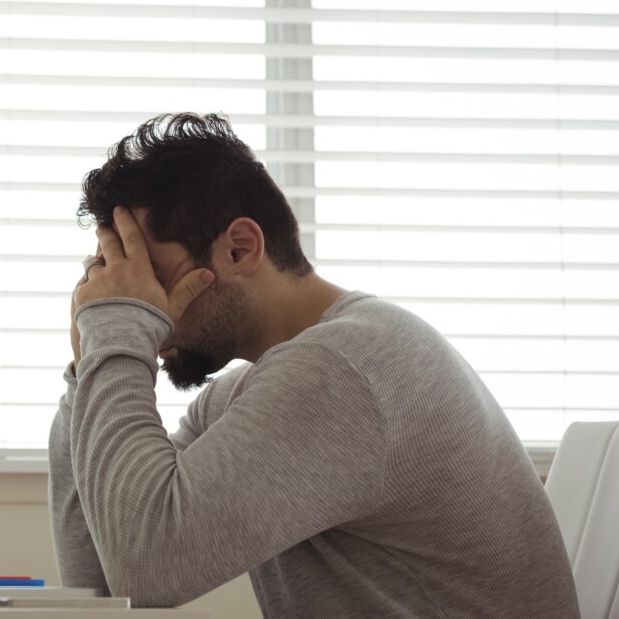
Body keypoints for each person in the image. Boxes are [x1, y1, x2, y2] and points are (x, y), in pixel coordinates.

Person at [48, 112, 579, 617]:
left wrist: (119, 330)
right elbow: (105, 578)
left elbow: (148, 569)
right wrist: (88, 367)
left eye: (149, 276)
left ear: (239, 249)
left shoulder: (343, 369)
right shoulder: (259, 390)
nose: (146, 307)